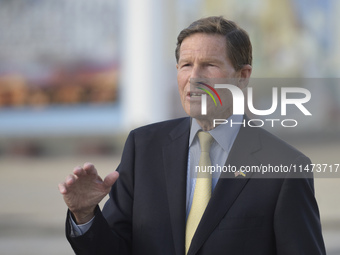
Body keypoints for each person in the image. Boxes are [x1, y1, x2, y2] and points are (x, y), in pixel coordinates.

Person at [59, 16, 326, 255]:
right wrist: (84, 215)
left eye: (209, 65)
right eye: (186, 65)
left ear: (242, 76)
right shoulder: (143, 148)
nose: (194, 77)